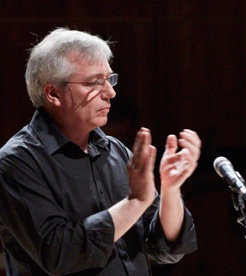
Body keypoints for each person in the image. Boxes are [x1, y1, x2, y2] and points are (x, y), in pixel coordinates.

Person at [0, 27, 201, 275]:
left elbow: (164, 248)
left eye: (109, 79)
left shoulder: (115, 151)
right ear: (53, 93)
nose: (110, 93)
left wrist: (170, 189)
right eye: (95, 82)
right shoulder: (16, 162)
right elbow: (59, 253)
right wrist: (135, 202)